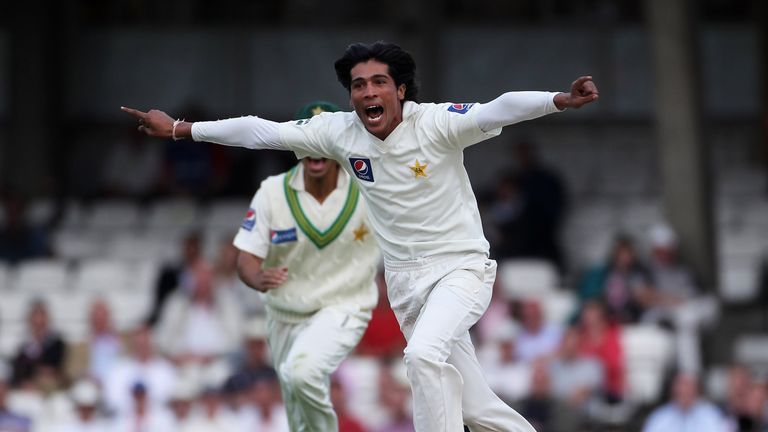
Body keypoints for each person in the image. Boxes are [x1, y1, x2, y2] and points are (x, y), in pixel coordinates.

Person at [122, 41, 598, 432]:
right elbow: (261, 132)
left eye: (378, 83)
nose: (367, 92)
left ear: (401, 89)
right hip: (406, 283)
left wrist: (559, 99)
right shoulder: (339, 132)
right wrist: (181, 130)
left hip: (461, 268)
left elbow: (500, 107)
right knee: (475, 407)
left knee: (421, 357)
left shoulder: (436, 123)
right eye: (358, 85)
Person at [642, 372, 728, 432]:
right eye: (680, 386)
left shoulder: (710, 414)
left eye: (688, 386)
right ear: (674, 389)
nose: (684, 391)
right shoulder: (660, 417)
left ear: (696, 389)